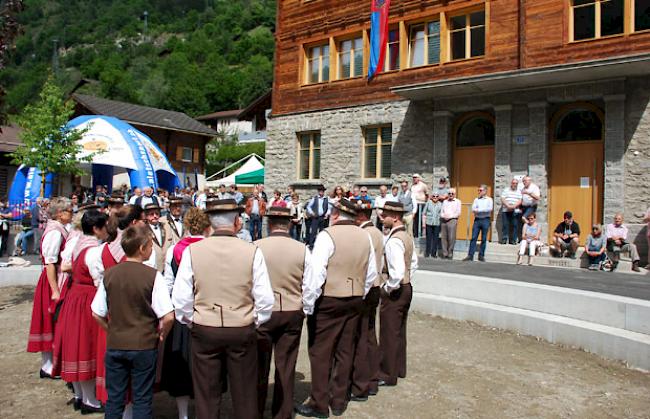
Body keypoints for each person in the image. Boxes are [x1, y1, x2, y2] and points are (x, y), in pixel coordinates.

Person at [172, 198, 274, 419]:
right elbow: (265, 299)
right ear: (237, 222)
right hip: (241, 326)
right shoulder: (251, 251)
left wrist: (193, 320)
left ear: (210, 223)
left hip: (205, 326)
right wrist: (251, 320)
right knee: (245, 392)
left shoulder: (193, 251)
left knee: (206, 393)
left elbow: (180, 300)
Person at [295, 198, 376, 418]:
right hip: (355, 297)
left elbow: (316, 274)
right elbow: (371, 273)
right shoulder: (365, 236)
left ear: (336, 214)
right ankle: (338, 400)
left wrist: (308, 305)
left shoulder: (326, 235)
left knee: (321, 352)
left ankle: (319, 403)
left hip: (329, 299)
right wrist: (360, 291)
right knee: (345, 349)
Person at [91, 224, 175, 419]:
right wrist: (161, 333)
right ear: (142, 248)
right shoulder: (153, 276)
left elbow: (97, 312)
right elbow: (168, 315)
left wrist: (111, 329)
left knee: (115, 398)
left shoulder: (110, 274)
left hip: (116, 342)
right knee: (142, 398)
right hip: (144, 344)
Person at [86, 205, 146, 408]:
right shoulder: (138, 251)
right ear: (133, 223)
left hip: (113, 316)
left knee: (116, 367)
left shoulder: (101, 250)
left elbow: (98, 288)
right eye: (142, 220)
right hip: (136, 316)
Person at [255, 206, 311, 419]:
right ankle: (282, 412)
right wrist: (305, 307)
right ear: (288, 224)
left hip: (263, 312)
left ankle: (256, 409)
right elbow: (312, 284)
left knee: (259, 366)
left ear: (269, 224)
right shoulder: (302, 249)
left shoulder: (256, 246)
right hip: (291, 309)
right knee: (286, 366)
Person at [52, 210, 108, 414]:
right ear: (96, 228)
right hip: (87, 298)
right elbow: (99, 279)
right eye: (104, 226)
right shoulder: (93, 249)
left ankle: (80, 395)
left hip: (75, 295)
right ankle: (89, 399)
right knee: (87, 345)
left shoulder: (77, 242)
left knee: (76, 344)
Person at [160, 208, 212, 419]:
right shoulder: (211, 248)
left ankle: (183, 414)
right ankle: (204, 408)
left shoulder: (174, 250)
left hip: (182, 311)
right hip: (207, 309)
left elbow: (168, 282)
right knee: (206, 365)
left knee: (181, 364)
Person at [27, 197, 72, 378]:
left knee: (53, 320)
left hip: (56, 277)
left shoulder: (58, 228)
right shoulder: (54, 232)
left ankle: (51, 363)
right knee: (50, 319)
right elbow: (50, 263)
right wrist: (55, 289)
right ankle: (48, 366)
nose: (71, 213)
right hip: (53, 279)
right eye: (69, 211)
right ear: (60, 214)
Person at [378, 201, 418, 387]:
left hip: (396, 290)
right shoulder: (406, 236)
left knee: (389, 333)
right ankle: (399, 368)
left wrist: (387, 288)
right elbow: (414, 263)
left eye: (385, 214)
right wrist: (406, 279)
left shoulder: (394, 240)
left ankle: (387, 373)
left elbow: (397, 272)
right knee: (399, 331)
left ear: (394, 217)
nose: (382, 217)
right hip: (407, 287)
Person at [350, 198, 384, 401]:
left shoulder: (364, 235)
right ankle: (372, 377)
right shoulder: (377, 233)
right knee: (370, 334)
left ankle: (363, 379)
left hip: (366, 287)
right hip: (376, 286)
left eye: (354, 214)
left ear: (361, 215)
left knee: (361, 336)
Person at [464, 185, 493, 262]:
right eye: (478, 190)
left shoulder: (489, 199)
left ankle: (481, 255)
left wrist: (479, 210)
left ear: (485, 191)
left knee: (483, 238)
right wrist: (481, 210)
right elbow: (473, 209)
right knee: (473, 238)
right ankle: (470, 255)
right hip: (477, 220)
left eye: (480, 190)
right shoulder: (476, 200)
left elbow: (489, 209)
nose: (479, 192)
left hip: (485, 220)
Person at [144, 203, 175, 272]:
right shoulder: (143, 230)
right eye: (151, 214)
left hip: (168, 268)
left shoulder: (166, 226)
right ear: (146, 216)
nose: (155, 216)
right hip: (153, 268)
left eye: (157, 214)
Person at [440, 188, 461, 259]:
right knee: (444, 237)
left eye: (452, 193)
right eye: (449, 193)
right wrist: (444, 216)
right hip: (444, 220)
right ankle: (444, 253)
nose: (451, 195)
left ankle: (450, 253)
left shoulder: (458, 201)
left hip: (452, 220)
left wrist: (449, 217)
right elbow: (442, 211)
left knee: (451, 237)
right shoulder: (445, 202)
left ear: (454, 194)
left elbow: (458, 213)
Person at [501, 178, 523, 244]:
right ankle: (504, 239)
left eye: (516, 183)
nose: (515, 184)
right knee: (505, 225)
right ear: (511, 183)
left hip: (515, 210)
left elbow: (520, 200)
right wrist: (508, 205)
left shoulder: (519, 191)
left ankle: (513, 240)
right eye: (513, 183)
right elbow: (502, 198)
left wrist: (514, 206)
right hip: (506, 210)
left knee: (515, 225)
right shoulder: (506, 190)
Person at [423, 193, 442, 258]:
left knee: (436, 239)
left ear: (438, 197)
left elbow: (441, 213)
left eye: (437, 196)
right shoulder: (428, 203)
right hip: (429, 222)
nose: (435, 197)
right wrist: (423, 223)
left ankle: (433, 253)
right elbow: (424, 213)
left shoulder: (440, 204)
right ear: (431, 197)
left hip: (437, 223)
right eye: (434, 196)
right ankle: (427, 252)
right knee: (428, 238)